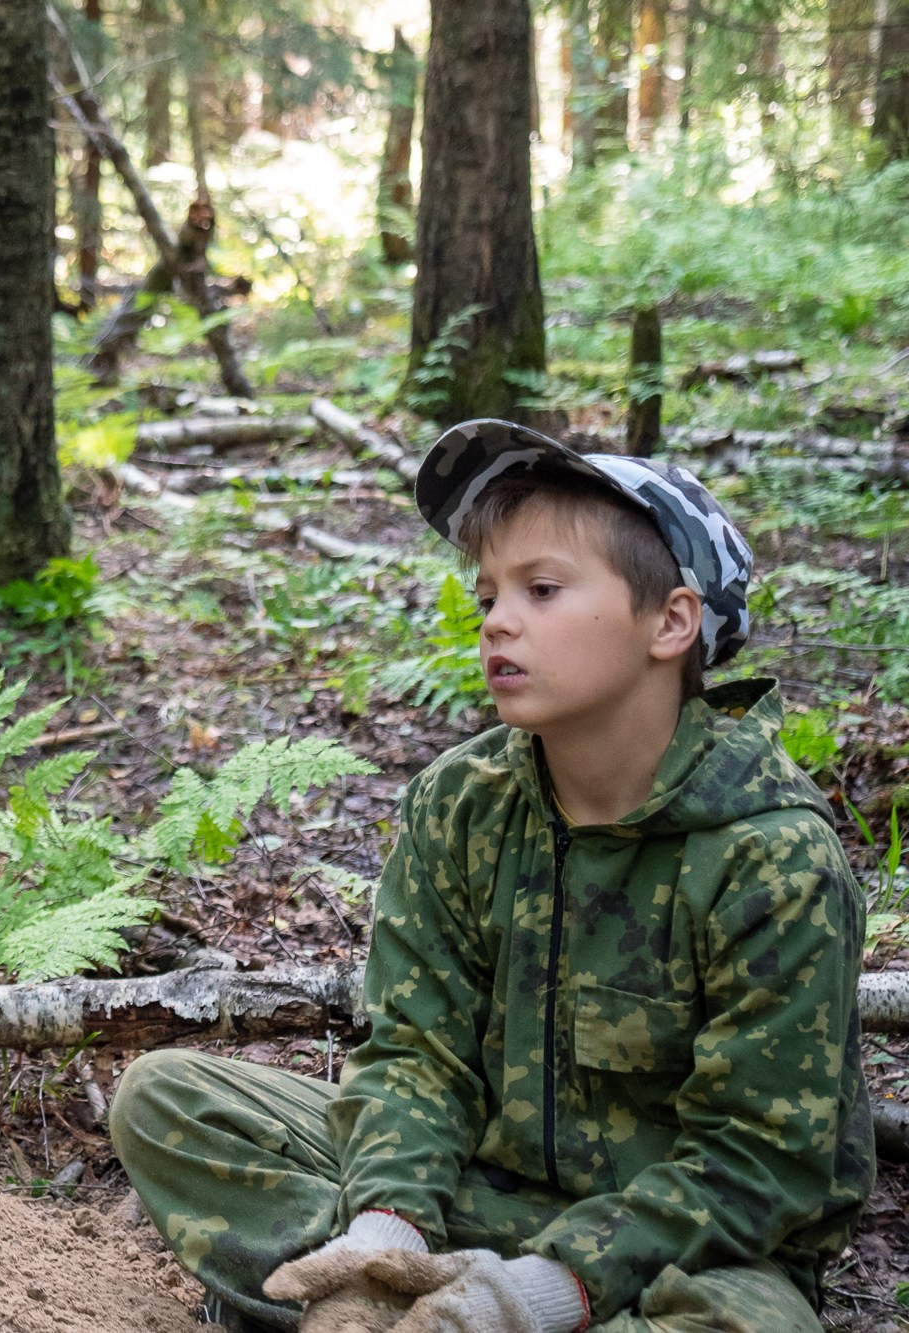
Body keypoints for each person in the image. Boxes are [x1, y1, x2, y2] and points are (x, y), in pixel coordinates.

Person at [110, 419, 874, 1332]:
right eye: (489, 595)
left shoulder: (772, 853)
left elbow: (762, 1161)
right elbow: (415, 1056)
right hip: (472, 1200)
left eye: (543, 589)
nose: (498, 620)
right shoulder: (460, 802)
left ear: (671, 621)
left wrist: (536, 1292)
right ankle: (373, 1303)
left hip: (687, 1251)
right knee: (165, 1098)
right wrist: (384, 1234)